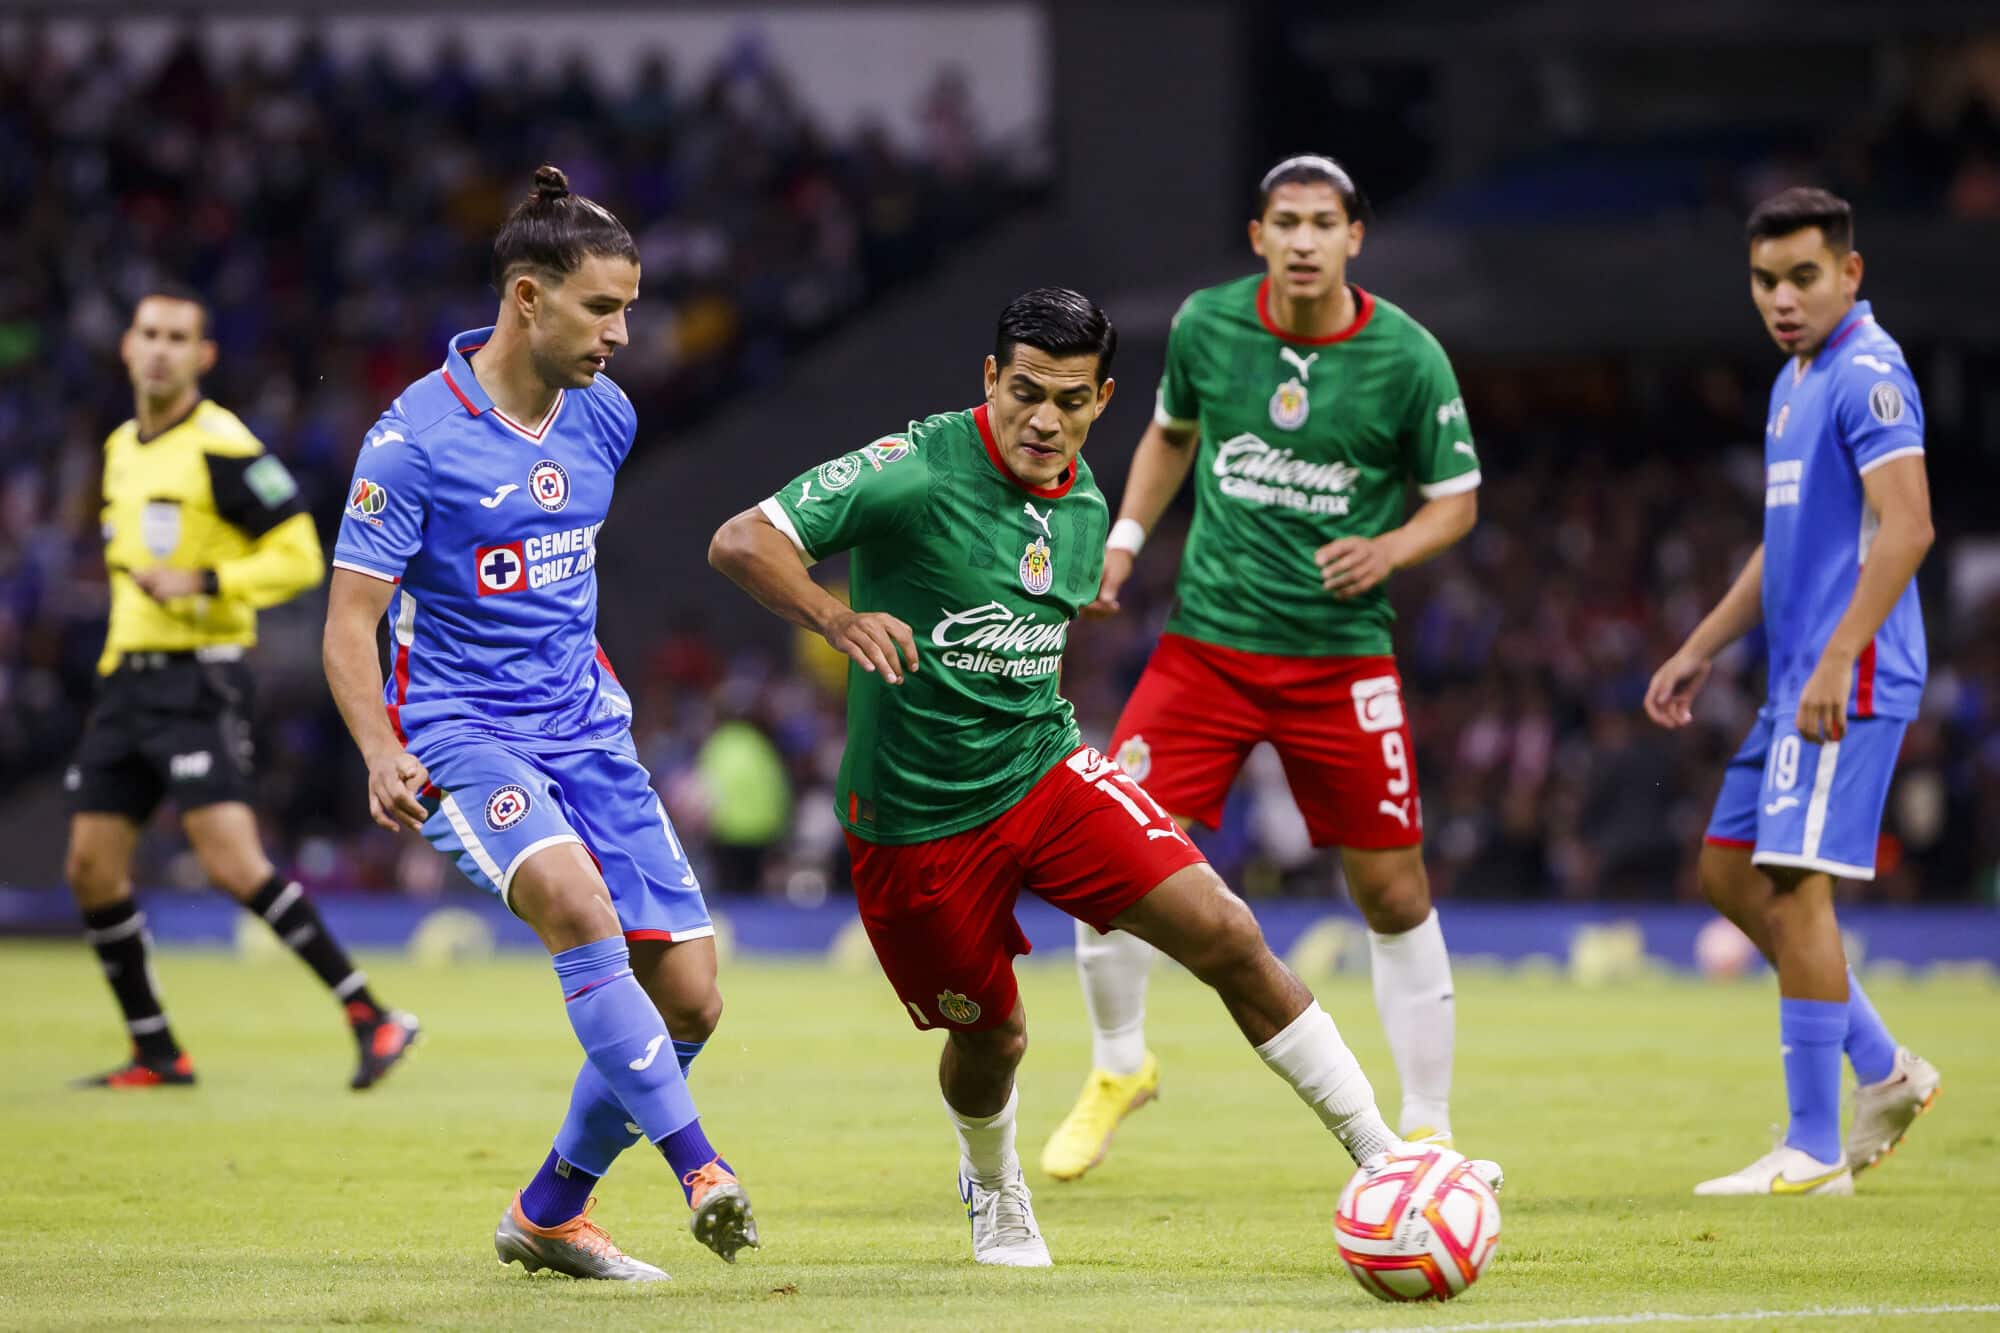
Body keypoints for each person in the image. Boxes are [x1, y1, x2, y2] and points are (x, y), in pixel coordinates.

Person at [709, 287, 1499, 1267]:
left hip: (1046, 770)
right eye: (1026, 393)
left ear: (1102, 398)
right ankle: (992, 1184)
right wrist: (836, 617)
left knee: (1225, 931)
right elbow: (742, 537)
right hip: (914, 821)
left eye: (1071, 400)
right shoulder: (911, 467)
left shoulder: (1081, 498)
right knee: (993, 1038)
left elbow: (1037, 619)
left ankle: (1385, 1160)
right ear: (990, 378)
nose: (1045, 420)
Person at [322, 166, 755, 1279]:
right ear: (526, 296)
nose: (624, 333)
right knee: (575, 903)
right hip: (458, 729)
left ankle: (551, 1208)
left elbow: (559, 575)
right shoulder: (412, 442)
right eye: (602, 308)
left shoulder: (604, 415)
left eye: (629, 308)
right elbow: (350, 621)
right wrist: (380, 749)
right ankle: (700, 1167)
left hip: (585, 728)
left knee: (693, 992)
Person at [1042, 155, 1481, 1181]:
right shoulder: (1208, 326)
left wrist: (1389, 549)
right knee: (1110, 853)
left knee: (1390, 889)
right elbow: (1168, 435)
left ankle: (1426, 1126)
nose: (1300, 240)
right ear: (1256, 236)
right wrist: (1123, 537)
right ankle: (1117, 1068)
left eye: (1321, 222)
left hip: (1338, 658)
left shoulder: (1406, 357)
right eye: (1283, 221)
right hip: (1208, 648)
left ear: (1352, 238)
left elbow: (1454, 499)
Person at [1647, 187, 1940, 1197]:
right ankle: (1887, 1067)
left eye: (1801, 277)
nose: (1781, 297)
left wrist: (1830, 659)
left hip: (1843, 677)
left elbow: (1905, 530)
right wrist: (1699, 646)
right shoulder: (1792, 380)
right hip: (1796, 678)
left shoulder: (1868, 372)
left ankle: (1814, 1148)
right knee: (1729, 874)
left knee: (1789, 883)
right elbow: (1782, 551)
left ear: (1847, 274)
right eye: (1764, 280)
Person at [65, 285, 418, 1091]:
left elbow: (298, 555)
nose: (159, 348)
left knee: (231, 862)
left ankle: (373, 1014)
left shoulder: (222, 445)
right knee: (91, 864)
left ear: (203, 356)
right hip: (129, 682)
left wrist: (205, 578)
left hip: (199, 680)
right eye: (148, 333)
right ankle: (157, 1049)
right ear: (127, 346)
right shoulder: (122, 447)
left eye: (176, 337)